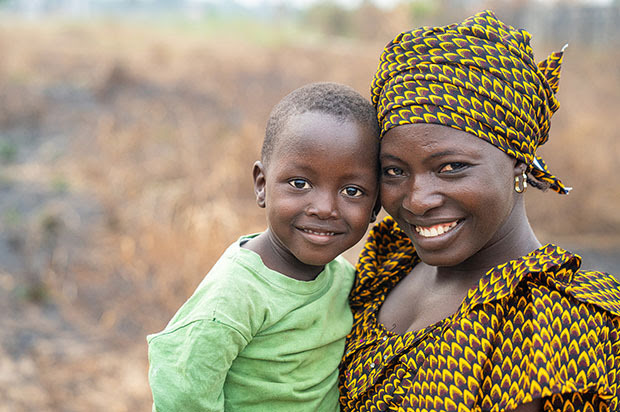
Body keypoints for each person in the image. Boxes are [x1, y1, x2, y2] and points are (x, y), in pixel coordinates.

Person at [339, 10, 620, 412]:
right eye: (395, 171)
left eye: (451, 167)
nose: (417, 200)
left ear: (518, 164)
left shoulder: (559, 324)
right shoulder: (388, 265)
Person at [147, 82, 381, 411]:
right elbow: (182, 391)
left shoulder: (345, 280)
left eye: (352, 191)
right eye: (300, 184)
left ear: (376, 206)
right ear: (262, 185)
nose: (324, 208)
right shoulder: (236, 294)